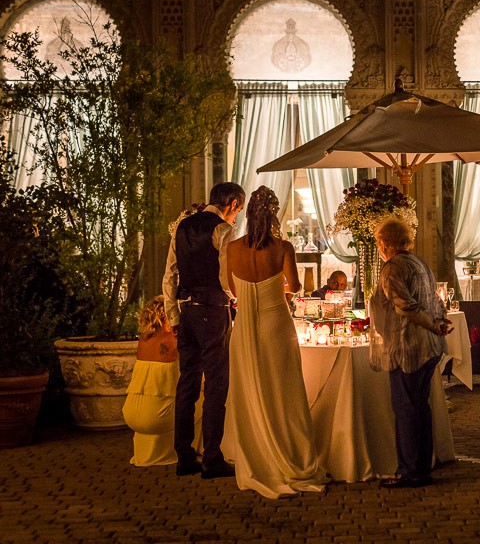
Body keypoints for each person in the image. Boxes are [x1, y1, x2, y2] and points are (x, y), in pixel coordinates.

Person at [222, 186, 328, 498]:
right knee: (284, 392)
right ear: (273, 216)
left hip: (243, 328)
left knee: (251, 390)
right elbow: (294, 286)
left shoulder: (233, 249)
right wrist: (276, 288)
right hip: (275, 323)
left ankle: (258, 455)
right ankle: (291, 457)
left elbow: (234, 290)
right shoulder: (283, 248)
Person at [163, 181, 244, 479]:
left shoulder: (182, 227)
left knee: (187, 383)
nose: (237, 216)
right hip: (213, 310)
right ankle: (212, 457)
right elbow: (226, 276)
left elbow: (169, 274)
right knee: (216, 385)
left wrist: (173, 316)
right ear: (233, 204)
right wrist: (236, 299)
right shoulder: (224, 230)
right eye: (239, 210)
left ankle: (184, 457)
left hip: (185, 312)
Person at [369, 217, 451, 489]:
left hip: (408, 347)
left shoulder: (392, 268)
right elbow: (436, 298)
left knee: (406, 409)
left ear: (385, 244)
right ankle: (421, 467)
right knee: (419, 408)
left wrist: (435, 323)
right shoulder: (419, 262)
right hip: (429, 347)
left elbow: (405, 306)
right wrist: (440, 320)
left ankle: (410, 471)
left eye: (379, 244)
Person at [123, 296, 202, 467]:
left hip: (131, 413)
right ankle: (196, 450)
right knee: (204, 396)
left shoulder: (144, 339)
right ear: (167, 316)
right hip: (156, 416)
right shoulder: (175, 340)